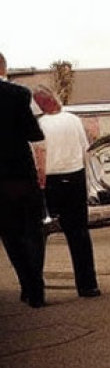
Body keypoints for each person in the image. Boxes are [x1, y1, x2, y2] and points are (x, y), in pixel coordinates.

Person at [33, 86, 100, 298]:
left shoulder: (40, 125)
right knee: (79, 232)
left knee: (39, 233)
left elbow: (38, 156)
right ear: (54, 99)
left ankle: (35, 284)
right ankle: (88, 284)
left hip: (50, 180)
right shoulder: (73, 119)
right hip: (75, 175)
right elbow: (84, 148)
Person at [0, 52, 46, 307]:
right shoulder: (18, 95)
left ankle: (26, 284)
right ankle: (37, 288)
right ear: (3, 67)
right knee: (32, 230)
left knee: (9, 234)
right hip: (19, 173)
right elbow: (33, 133)